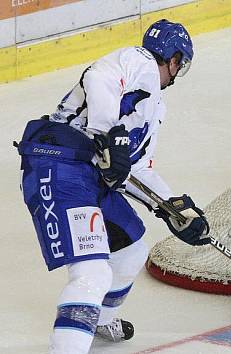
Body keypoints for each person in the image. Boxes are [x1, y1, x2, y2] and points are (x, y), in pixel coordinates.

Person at [15, 19, 209, 354]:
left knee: (132, 250)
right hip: (57, 163)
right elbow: (98, 77)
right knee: (93, 274)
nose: (177, 73)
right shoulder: (140, 62)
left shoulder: (154, 108)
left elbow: (136, 167)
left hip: (87, 175)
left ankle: (101, 317)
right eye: (180, 64)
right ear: (174, 59)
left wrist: (172, 206)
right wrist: (110, 131)